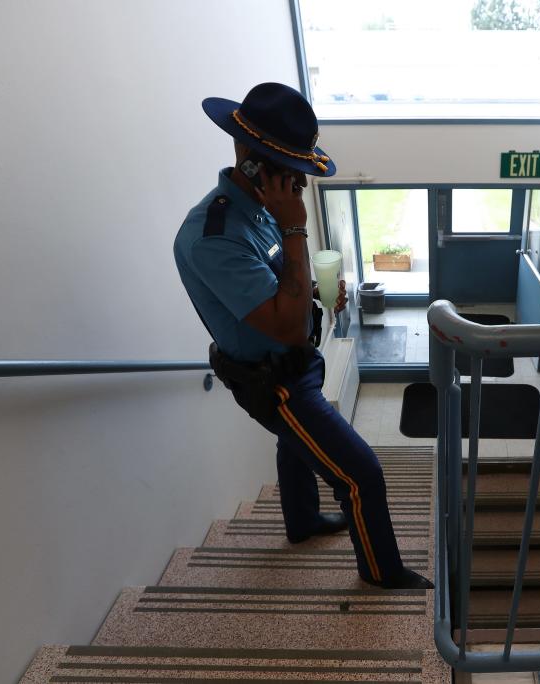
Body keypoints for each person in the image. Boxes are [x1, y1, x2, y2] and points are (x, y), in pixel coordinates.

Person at [173, 82, 431, 590]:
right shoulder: (215, 236)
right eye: (289, 169)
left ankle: (302, 523)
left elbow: (276, 294)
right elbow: (283, 323)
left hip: (295, 359)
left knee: (295, 446)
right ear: (251, 161)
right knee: (361, 474)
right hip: (274, 382)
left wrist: (310, 290)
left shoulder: (261, 209)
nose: (298, 183)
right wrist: (296, 229)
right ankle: (382, 573)